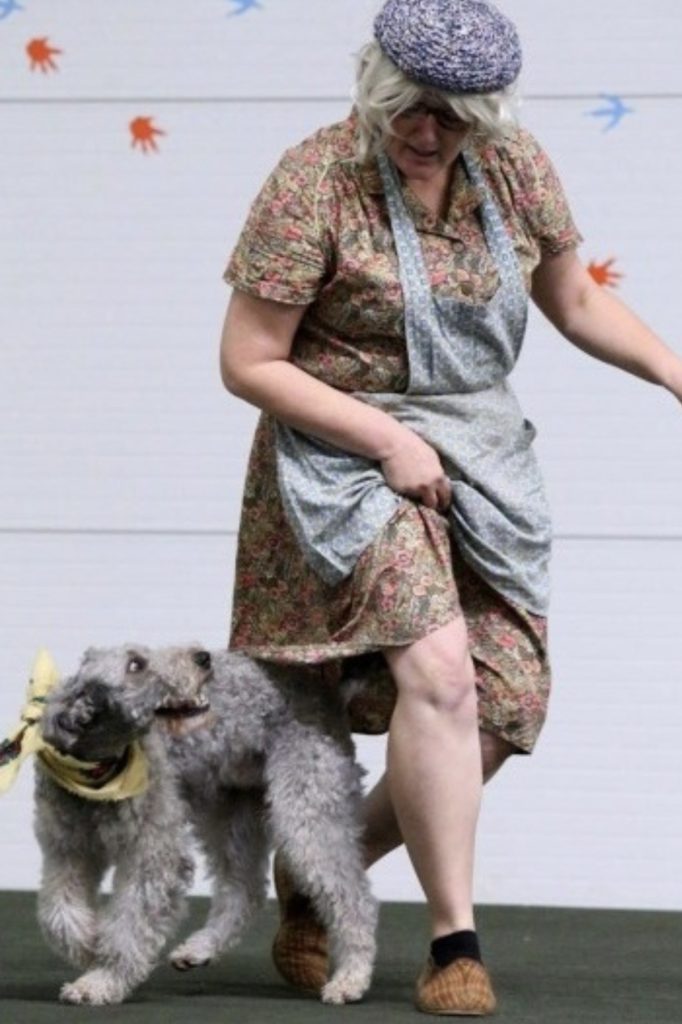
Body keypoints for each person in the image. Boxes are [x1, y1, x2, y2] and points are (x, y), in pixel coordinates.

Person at [219, 0, 682, 1014]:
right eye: (408, 108)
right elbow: (248, 361)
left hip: (477, 451)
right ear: (374, 87)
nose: (427, 132)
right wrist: (386, 440)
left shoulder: (512, 168)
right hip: (343, 457)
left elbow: (575, 301)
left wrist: (673, 371)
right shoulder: (313, 182)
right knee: (437, 668)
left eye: (452, 115)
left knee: (501, 702)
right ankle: (452, 943)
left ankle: (319, 868)